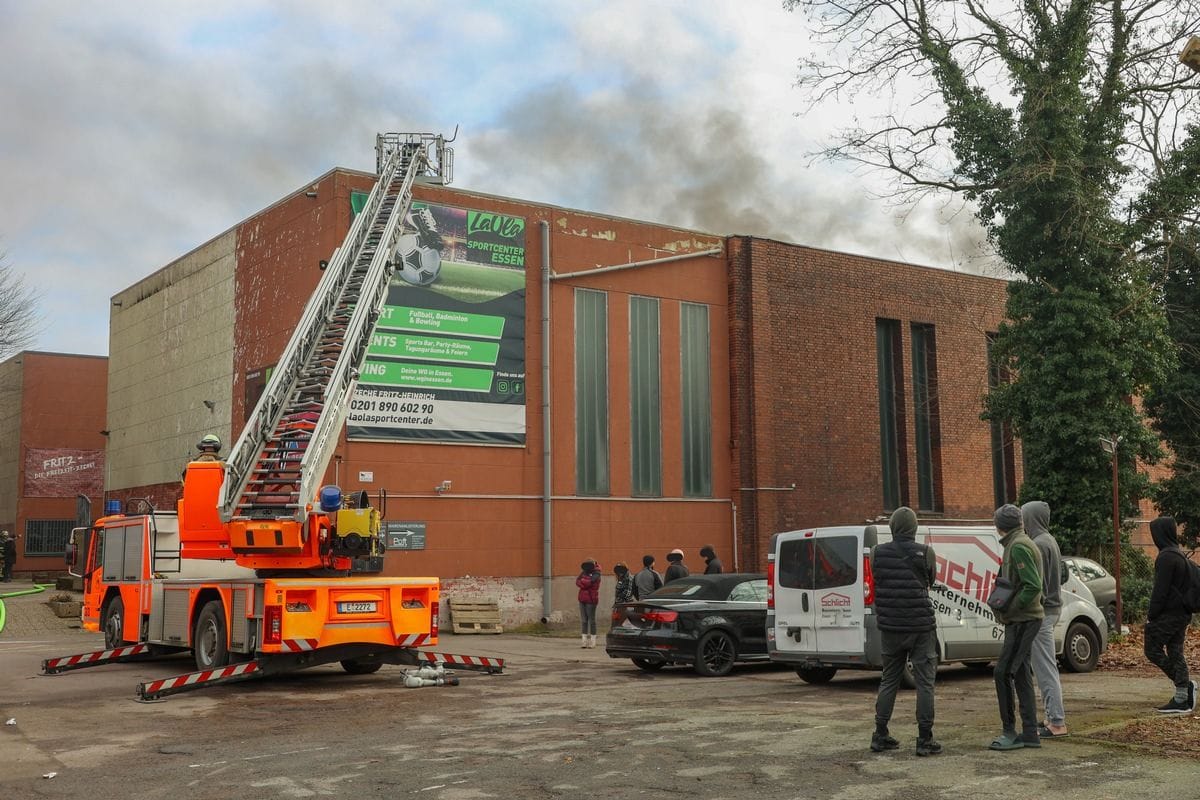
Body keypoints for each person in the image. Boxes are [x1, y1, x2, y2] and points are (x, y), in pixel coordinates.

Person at [870, 506, 941, 756]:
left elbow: (877, 580)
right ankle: (924, 739)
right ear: (914, 528)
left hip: (890, 626)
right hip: (921, 626)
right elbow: (930, 581)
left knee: (889, 678)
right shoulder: (925, 553)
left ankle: (880, 734)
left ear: (892, 528)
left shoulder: (876, 553)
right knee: (924, 682)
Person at [989, 504, 1044, 751]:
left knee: (1003, 672)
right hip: (1023, 619)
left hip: (1023, 620)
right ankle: (1030, 731)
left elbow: (1033, 586)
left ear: (1001, 525)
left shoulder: (1018, 546)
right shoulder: (1018, 542)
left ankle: (1009, 731)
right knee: (1021, 673)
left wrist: (1011, 610)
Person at [1022, 501, 1069, 738]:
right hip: (1052, 608)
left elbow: (1035, 585)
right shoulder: (1050, 541)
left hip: (1041, 612)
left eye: (1024, 517)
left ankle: (1057, 722)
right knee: (1044, 666)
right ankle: (1051, 718)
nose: (1023, 522)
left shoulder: (1037, 544)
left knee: (1044, 668)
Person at [1144, 516, 1195, 713]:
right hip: (1182, 614)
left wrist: (1151, 615)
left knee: (1152, 649)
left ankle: (1185, 685)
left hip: (1168, 615)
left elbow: (1160, 591)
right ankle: (1182, 698)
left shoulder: (1166, 557)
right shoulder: (1179, 554)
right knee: (1175, 651)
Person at [576, 559, 601, 648]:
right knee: (584, 620)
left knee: (592, 620)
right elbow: (577, 581)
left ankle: (593, 642)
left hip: (591, 599)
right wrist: (584, 581)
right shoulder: (584, 572)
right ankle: (584, 641)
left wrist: (583, 581)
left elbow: (590, 583)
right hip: (582, 598)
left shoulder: (597, 573)